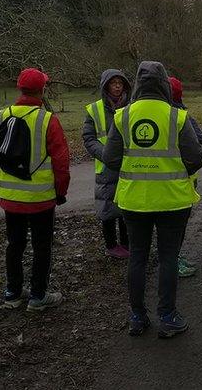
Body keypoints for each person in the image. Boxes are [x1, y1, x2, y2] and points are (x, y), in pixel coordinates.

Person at [103, 62, 202, 338]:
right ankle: (168, 316)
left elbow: (110, 158)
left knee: (137, 256)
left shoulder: (123, 116)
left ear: (136, 84)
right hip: (173, 200)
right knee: (168, 258)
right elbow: (195, 158)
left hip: (134, 200)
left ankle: (137, 316)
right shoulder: (177, 117)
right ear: (163, 84)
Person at [0, 68, 70, 312]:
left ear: (19, 89)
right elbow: (61, 162)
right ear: (43, 90)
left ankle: (12, 292)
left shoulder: (0, 117)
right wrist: (60, 191)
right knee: (42, 246)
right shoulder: (47, 120)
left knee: (15, 244)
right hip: (41, 198)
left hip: (10, 197)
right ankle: (38, 295)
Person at [82, 69, 132, 260]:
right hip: (105, 166)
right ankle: (111, 244)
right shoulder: (94, 109)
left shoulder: (131, 106)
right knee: (107, 206)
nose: (117, 86)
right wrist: (106, 154)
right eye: (113, 83)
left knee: (126, 205)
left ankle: (127, 242)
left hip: (127, 163)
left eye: (120, 83)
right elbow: (89, 137)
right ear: (106, 86)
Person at [168, 75, 202, 278]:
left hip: (143, 185)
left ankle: (170, 259)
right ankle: (174, 260)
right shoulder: (182, 116)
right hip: (180, 182)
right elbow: (200, 144)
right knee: (176, 227)